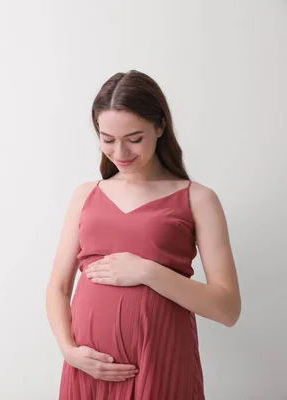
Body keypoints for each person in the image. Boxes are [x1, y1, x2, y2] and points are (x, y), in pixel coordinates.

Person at [45, 70, 241, 399]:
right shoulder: (85, 195)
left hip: (161, 364)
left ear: (161, 126)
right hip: (88, 368)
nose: (120, 152)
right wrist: (69, 351)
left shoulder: (197, 199)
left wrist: (147, 271)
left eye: (134, 139)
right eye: (107, 139)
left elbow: (227, 309)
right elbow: (58, 287)